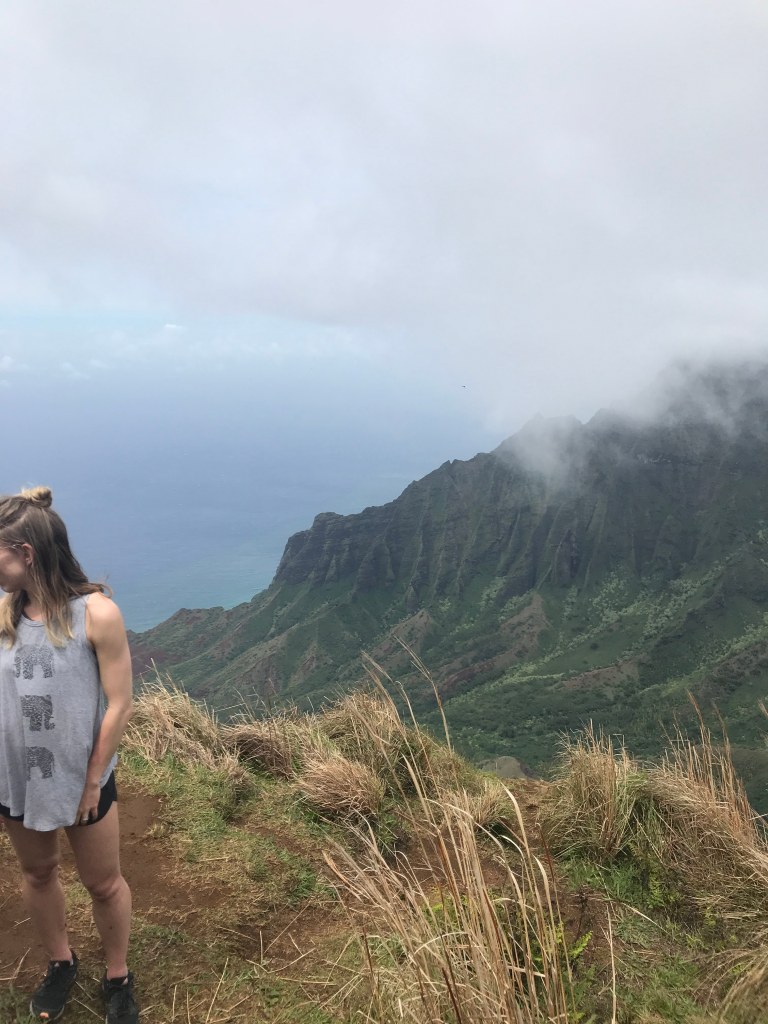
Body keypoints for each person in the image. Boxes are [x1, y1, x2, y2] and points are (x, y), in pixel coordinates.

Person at [0, 487, 139, 1023]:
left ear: (26, 552)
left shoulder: (96, 614)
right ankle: (61, 961)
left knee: (103, 881)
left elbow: (120, 703)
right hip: (17, 778)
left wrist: (89, 781)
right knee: (38, 874)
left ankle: (118, 975)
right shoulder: (5, 614)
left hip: (84, 776)